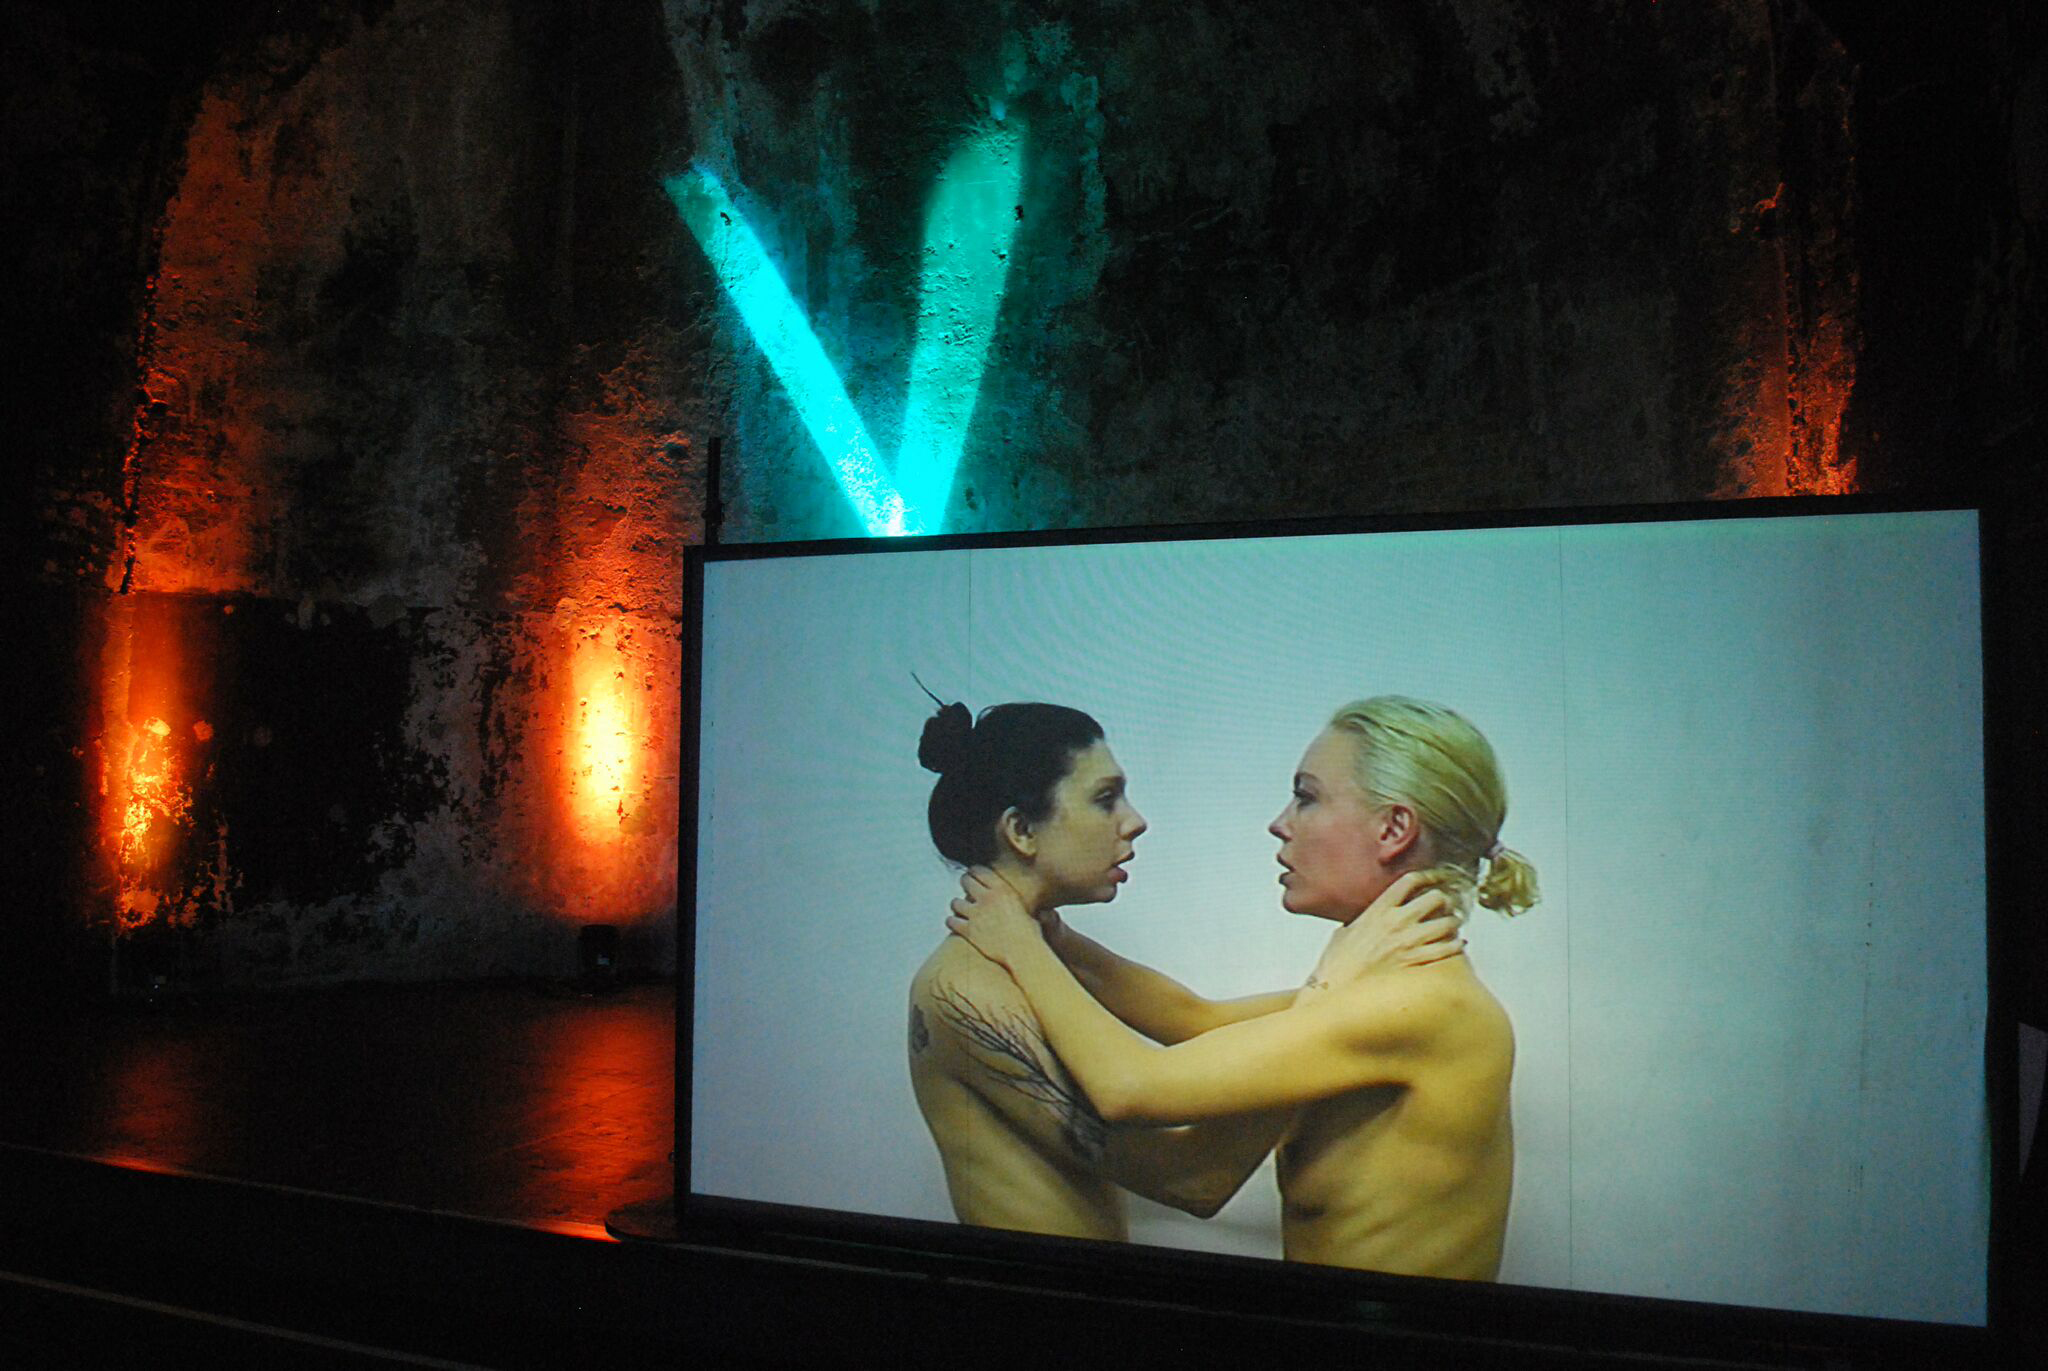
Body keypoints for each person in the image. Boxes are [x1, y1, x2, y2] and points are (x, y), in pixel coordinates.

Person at [946, 696, 1538, 1277]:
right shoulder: (1383, 989)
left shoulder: (1420, 1005)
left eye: (1306, 797)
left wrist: (1017, 943)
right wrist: (1056, 937)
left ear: (1393, 829)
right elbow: (1194, 1018)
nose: (1280, 823)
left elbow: (1128, 1087)